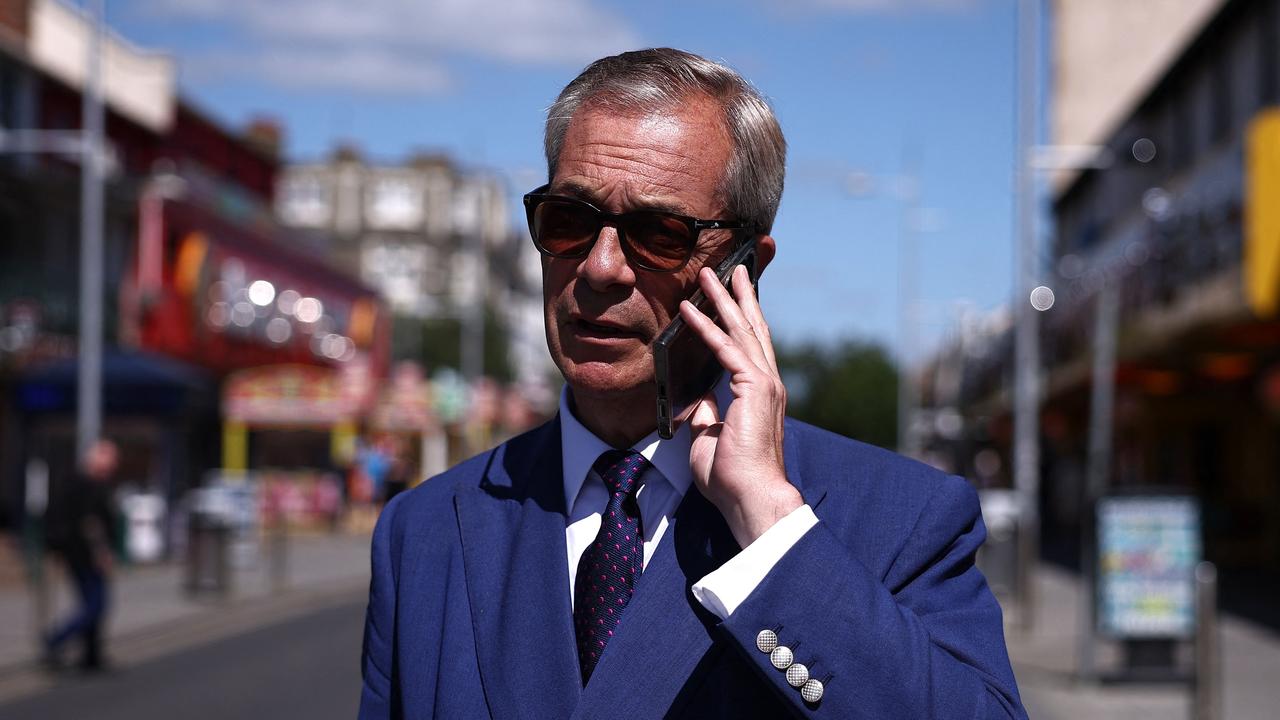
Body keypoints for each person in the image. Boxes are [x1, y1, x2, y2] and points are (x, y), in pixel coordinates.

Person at [359, 48, 1025, 719]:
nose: (601, 268)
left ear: (746, 267)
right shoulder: (425, 533)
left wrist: (771, 524)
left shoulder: (898, 520)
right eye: (569, 219)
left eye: (659, 233)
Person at [43, 438, 120, 672]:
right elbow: (91, 525)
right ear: (96, 461)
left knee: (94, 604)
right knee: (95, 605)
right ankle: (55, 640)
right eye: (108, 463)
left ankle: (91, 655)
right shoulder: (86, 486)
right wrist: (102, 552)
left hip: (81, 554)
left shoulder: (86, 485)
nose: (111, 469)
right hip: (84, 556)